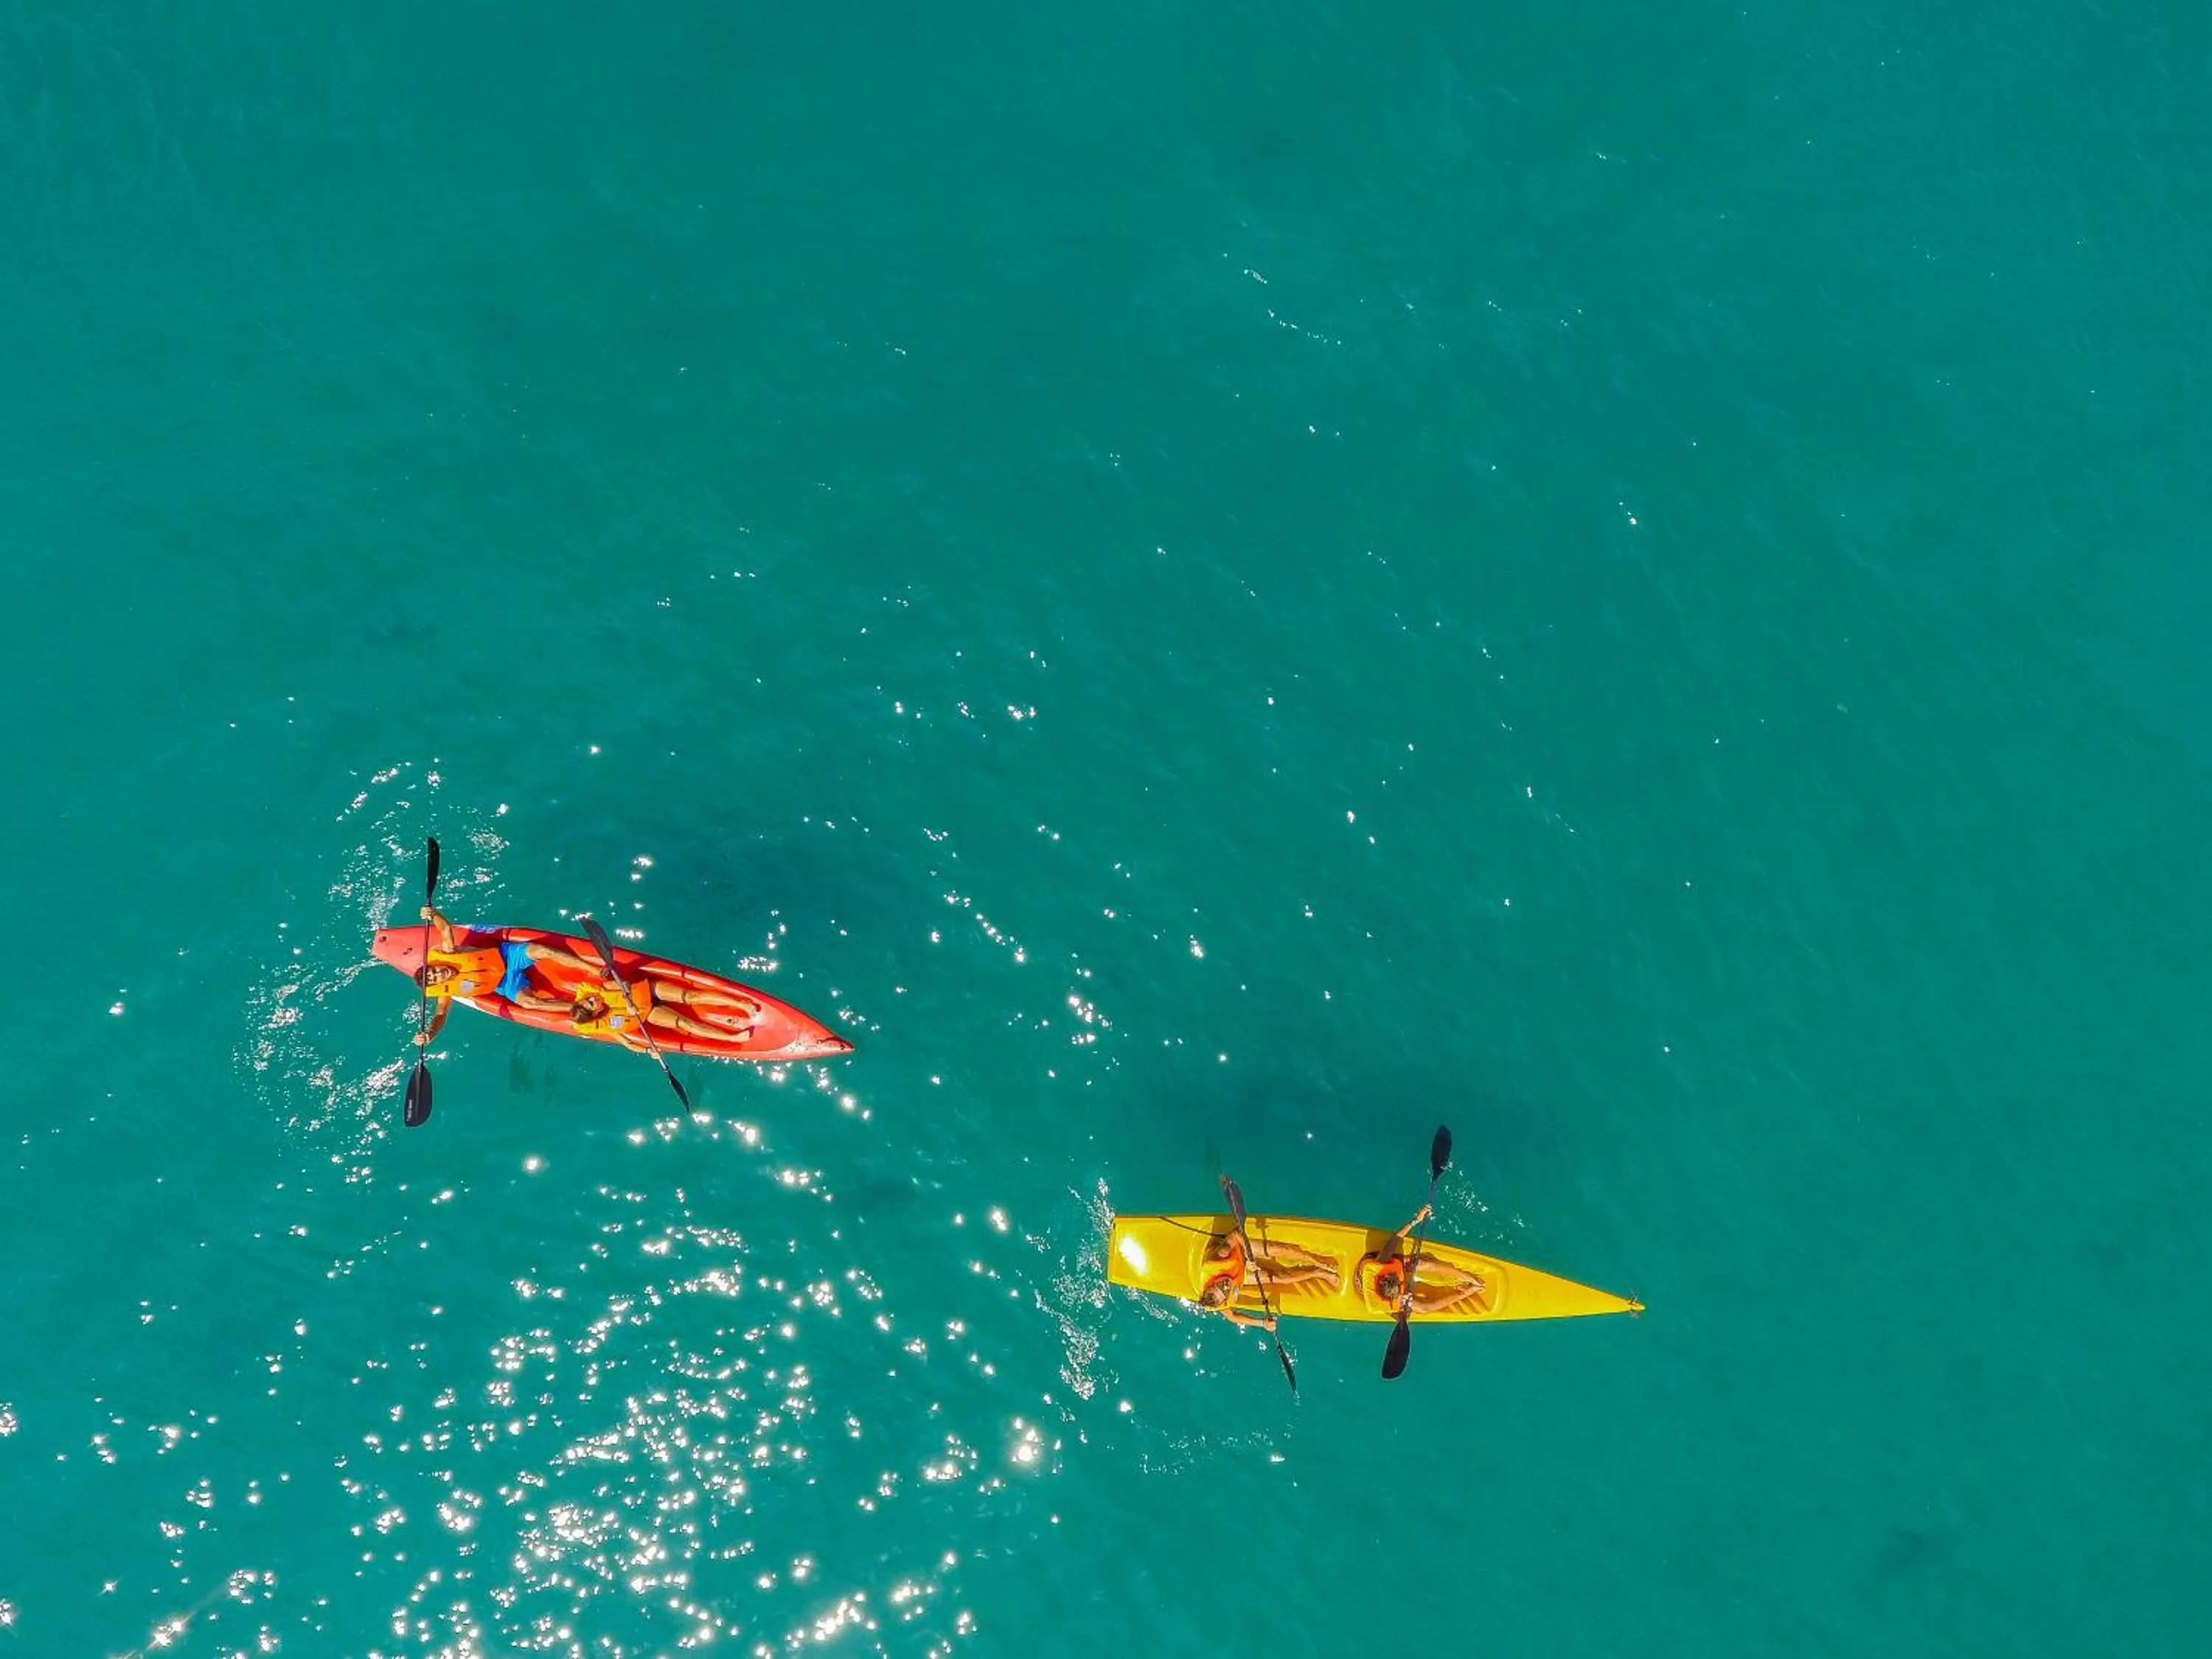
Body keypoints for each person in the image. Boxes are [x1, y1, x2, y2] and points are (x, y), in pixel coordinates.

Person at [411, 908, 595, 1045]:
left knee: (542, 950)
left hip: (507, 956)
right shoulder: (446, 992)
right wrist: (430, 1034)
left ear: (435, 965)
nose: (439, 974)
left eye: (434, 971)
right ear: (438, 983)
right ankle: (580, 1008)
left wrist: (433, 913)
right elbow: (441, 1014)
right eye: (436, 978)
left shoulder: (449, 953)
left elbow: (445, 930)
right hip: (505, 983)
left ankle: (592, 968)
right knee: (528, 1003)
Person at [566, 970, 762, 1049]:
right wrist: (637, 1047)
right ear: (595, 1013)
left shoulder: (595, 991)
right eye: (592, 1003)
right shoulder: (598, 1022)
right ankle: (731, 1038)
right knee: (685, 1023)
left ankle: (742, 1004)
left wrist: (627, 998)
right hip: (649, 1014)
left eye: (587, 999)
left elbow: (624, 983)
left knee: (689, 996)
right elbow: (612, 1030)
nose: (592, 998)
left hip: (648, 991)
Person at [1357, 1204, 1491, 1315]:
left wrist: (1416, 1219)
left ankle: (1468, 1279)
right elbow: (1424, 1307)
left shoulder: (1381, 1263)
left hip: (1376, 1267)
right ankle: (1465, 1293)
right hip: (1375, 1292)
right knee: (1423, 1308)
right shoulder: (1381, 1303)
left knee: (1421, 1263)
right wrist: (1405, 1300)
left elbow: (1396, 1239)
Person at [1192, 1231, 1342, 1327]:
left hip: (1240, 1252)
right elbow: (1233, 1317)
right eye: (1225, 1290)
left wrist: (1250, 1257)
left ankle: (1317, 1260)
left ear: (1212, 1281)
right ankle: (1318, 1272)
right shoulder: (1218, 1302)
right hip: (1240, 1273)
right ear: (1223, 1299)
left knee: (1281, 1250)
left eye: (1220, 1284)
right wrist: (1262, 1323)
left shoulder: (1220, 1256)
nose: (1226, 1285)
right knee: (1278, 1278)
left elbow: (1236, 1235)